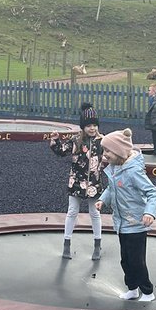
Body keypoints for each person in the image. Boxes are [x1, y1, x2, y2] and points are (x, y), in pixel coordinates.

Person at [95, 128, 156, 302]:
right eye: (104, 150)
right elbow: (111, 188)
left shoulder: (133, 171)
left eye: (108, 150)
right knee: (126, 260)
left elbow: (152, 192)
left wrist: (149, 213)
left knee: (137, 261)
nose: (105, 154)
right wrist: (103, 200)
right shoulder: (115, 169)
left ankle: (147, 291)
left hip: (137, 223)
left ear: (119, 151)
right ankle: (132, 289)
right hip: (122, 223)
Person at [49, 102, 104, 260]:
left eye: (94, 125)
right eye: (88, 126)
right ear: (83, 127)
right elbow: (61, 151)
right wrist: (56, 141)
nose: (92, 128)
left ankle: (97, 245)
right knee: (72, 212)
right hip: (76, 183)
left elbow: (114, 154)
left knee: (95, 213)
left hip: (94, 184)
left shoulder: (102, 141)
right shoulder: (76, 141)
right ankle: (66, 243)